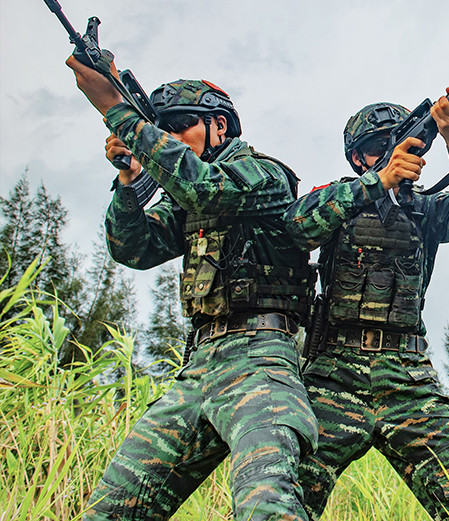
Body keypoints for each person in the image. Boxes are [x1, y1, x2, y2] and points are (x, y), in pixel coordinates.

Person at [67, 56, 318, 521]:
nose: (170, 137)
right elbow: (133, 248)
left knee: (267, 505)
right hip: (198, 367)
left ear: (218, 125)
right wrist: (128, 179)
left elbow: (202, 186)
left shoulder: (265, 176)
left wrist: (115, 108)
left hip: (260, 361)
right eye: (161, 129)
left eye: (180, 126)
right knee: (112, 509)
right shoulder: (186, 203)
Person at [285, 94, 449, 520]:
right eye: (379, 144)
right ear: (356, 157)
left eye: (400, 139)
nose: (395, 149)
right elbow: (295, 226)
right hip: (332, 376)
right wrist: (377, 182)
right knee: (280, 499)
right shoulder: (339, 198)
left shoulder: (427, 208)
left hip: (408, 378)